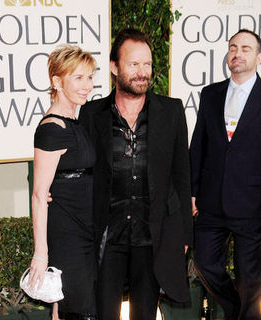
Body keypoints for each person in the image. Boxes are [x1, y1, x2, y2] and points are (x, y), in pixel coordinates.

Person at [79, 28, 192, 320]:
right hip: (108, 236)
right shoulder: (92, 115)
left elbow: (182, 174)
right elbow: (82, 173)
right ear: (115, 68)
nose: (142, 72)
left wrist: (182, 235)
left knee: (145, 314)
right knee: (105, 313)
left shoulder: (172, 111)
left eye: (147, 64)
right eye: (133, 64)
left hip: (152, 236)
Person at [190, 29, 261, 320]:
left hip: (252, 204)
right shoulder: (210, 94)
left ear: (258, 56)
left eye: (246, 47)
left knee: (251, 278)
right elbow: (198, 146)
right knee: (205, 263)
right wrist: (192, 191)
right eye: (233, 47)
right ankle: (235, 310)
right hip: (211, 202)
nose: (238, 52)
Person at [28, 44, 97, 320]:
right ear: (57, 82)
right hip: (68, 235)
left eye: (90, 77)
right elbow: (38, 195)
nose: (87, 85)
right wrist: (41, 254)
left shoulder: (75, 121)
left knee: (66, 307)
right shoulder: (51, 130)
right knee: (81, 311)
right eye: (78, 78)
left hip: (86, 229)